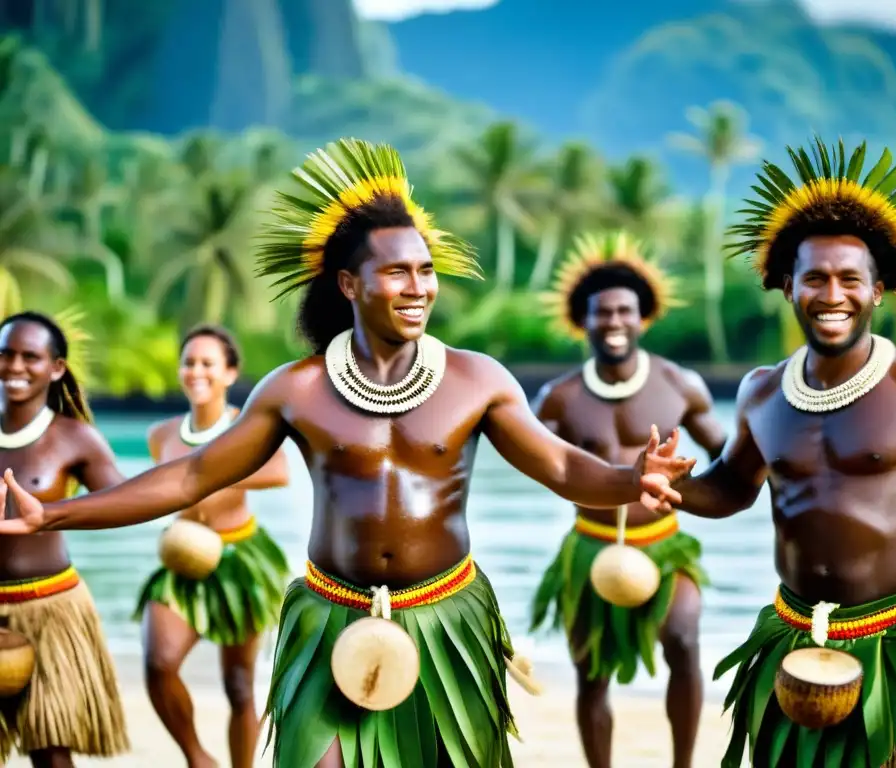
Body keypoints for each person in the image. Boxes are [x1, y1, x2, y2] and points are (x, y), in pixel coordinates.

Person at [0, 138, 692, 768]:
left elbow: (564, 467)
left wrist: (631, 480)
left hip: (444, 617)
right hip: (332, 613)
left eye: (425, 270)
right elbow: (191, 475)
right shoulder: (297, 390)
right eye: (397, 273)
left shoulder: (476, 379)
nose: (419, 287)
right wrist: (55, 516)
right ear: (349, 284)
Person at [639, 138, 896, 767]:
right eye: (815, 277)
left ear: (878, 291)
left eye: (851, 279)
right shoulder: (761, 392)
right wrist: (670, 487)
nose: (832, 293)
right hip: (793, 636)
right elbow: (732, 488)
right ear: (787, 286)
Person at [529, 230, 726, 768]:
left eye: (624, 311)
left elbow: (730, 457)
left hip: (663, 544)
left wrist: (683, 486)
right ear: (583, 320)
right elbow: (538, 462)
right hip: (590, 547)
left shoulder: (678, 384)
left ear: (642, 318)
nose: (614, 322)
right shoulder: (559, 398)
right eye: (601, 313)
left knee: (683, 637)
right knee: (590, 674)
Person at [137, 323, 290, 768]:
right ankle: (198, 757)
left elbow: (280, 472)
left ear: (230, 372)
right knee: (159, 662)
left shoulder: (245, 427)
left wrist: (209, 471)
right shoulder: (161, 435)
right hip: (183, 556)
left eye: (208, 363)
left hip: (238, 556)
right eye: (189, 362)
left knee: (240, 686)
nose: (196, 371)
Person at [0, 309, 129, 766]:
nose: (15, 366)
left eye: (30, 357)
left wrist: (51, 514)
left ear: (56, 368)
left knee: (51, 753)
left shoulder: (75, 438)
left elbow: (125, 503)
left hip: (50, 609)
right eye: (6, 354)